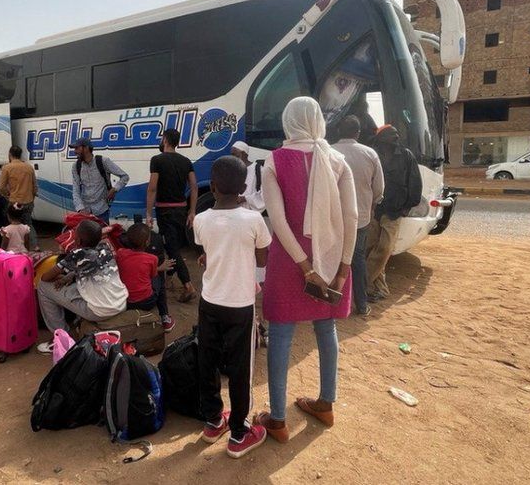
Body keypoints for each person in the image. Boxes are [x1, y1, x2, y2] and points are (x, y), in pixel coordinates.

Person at [257, 97, 358, 442]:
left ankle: (279, 420)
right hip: (331, 259)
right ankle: (326, 403)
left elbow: (278, 220)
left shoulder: (275, 160)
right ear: (318, 120)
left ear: (288, 122)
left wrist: (303, 266)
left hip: (289, 262)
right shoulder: (338, 160)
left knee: (281, 334)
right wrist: (342, 269)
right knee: (325, 328)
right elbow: (352, 218)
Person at [192, 155, 272, 458]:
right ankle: (239, 432)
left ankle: (213, 420)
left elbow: (210, 251)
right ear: (243, 187)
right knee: (241, 369)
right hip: (240, 305)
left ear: (211, 186)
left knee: (208, 360)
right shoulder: (253, 220)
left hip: (210, 301)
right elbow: (262, 258)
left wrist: (212, 257)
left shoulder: (201, 220)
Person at [332, 116, 384, 316]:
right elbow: (379, 189)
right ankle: (361, 305)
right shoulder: (370, 153)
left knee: (332, 258)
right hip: (361, 218)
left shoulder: (327, 151)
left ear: (338, 131)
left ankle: (331, 303)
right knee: (357, 259)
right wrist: (371, 206)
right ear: (358, 133)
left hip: (332, 218)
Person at [37, 220, 127, 332]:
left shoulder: (77, 254)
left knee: (43, 287)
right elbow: (89, 266)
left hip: (100, 311)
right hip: (121, 303)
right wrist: (68, 277)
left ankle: (60, 336)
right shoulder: (105, 247)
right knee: (81, 283)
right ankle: (76, 322)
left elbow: (45, 277)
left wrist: (60, 277)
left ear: (78, 240)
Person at [366, 125, 422, 300]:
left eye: (396, 136)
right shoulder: (373, 155)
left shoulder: (406, 156)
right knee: (371, 249)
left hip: (395, 211)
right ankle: (379, 290)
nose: (395, 139)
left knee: (384, 250)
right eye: (391, 137)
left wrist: (405, 208)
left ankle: (360, 283)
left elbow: (415, 184)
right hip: (375, 210)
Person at [145, 129, 199, 303]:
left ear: (166, 140)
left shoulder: (157, 160)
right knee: (174, 245)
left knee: (172, 249)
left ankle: (188, 286)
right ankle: (169, 278)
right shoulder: (186, 161)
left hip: (165, 211)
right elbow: (194, 186)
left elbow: (152, 188)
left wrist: (148, 212)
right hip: (182, 210)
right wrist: (192, 211)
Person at [115, 223, 176, 332]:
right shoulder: (152, 259)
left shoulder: (120, 253)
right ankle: (165, 317)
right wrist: (160, 268)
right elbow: (152, 275)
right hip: (146, 302)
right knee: (159, 278)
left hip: (125, 301)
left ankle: (164, 317)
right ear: (147, 242)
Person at [70, 137, 129, 223]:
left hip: (102, 211)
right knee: (86, 236)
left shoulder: (103, 161)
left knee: (103, 235)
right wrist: (80, 208)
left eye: (77, 148)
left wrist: (114, 189)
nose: (75, 151)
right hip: (85, 212)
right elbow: (75, 190)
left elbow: (125, 177)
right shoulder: (76, 166)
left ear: (86, 148)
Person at [0, 146, 39, 251]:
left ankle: (14, 248)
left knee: (13, 226)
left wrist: (7, 195)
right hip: (28, 201)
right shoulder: (28, 167)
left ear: (10, 154)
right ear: (20, 155)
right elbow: (35, 186)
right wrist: (32, 197)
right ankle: (35, 246)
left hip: (14, 202)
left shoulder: (7, 168)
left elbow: (1, 187)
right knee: (28, 224)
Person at [230, 141, 266, 214]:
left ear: (244, 154)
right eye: (231, 155)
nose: (232, 158)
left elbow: (265, 194)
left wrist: (244, 199)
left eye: (235, 155)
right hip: (234, 212)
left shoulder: (259, 169)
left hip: (251, 213)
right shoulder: (232, 169)